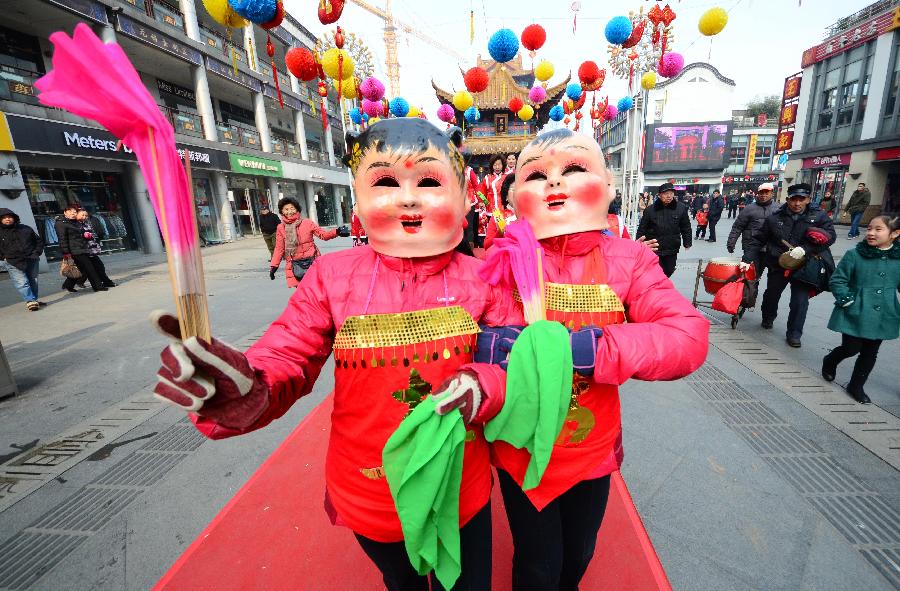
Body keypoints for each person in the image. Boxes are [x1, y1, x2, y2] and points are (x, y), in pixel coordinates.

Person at [152, 118, 519, 590]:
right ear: (358, 196)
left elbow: (512, 359)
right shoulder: (330, 277)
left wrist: (484, 384)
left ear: (463, 196)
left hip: (459, 484)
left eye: (427, 181)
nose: (408, 197)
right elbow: (288, 352)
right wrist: (247, 387)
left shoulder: (485, 278)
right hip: (370, 486)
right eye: (386, 181)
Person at [476, 128, 708, 590]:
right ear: (516, 193)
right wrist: (491, 350)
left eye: (574, 169)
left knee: (578, 554)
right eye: (538, 175)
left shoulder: (630, 260)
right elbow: (484, 334)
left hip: (592, 444)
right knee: (537, 563)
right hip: (523, 448)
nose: (555, 184)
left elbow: (686, 336)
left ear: (609, 186)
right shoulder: (503, 259)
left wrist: (595, 348)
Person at [740, 183, 836, 348]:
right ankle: (768, 317)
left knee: (799, 301)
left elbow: (830, 237)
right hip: (778, 262)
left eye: (801, 199)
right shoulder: (775, 218)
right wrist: (747, 258)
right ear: (787, 199)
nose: (797, 203)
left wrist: (805, 249)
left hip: (805, 265)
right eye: (793, 199)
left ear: (808, 199)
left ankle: (794, 333)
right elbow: (758, 240)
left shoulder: (819, 217)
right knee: (771, 295)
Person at [821, 215, 899, 404]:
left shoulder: (898, 259)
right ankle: (830, 360)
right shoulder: (854, 255)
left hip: (884, 313)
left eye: (878, 229)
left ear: (895, 234)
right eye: (870, 228)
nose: (871, 233)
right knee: (851, 348)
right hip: (856, 310)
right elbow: (838, 280)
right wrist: (846, 298)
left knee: (871, 352)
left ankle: (856, 385)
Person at [269, 197, 347, 288]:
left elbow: (323, 235)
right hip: (295, 265)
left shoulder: (307, 223)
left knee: (317, 290)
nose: (289, 211)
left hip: (312, 262)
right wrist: (274, 266)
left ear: (297, 209)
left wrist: (337, 232)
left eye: (292, 208)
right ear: (282, 211)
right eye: (286, 209)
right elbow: (279, 248)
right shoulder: (281, 227)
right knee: (303, 293)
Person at [637, 182, 692, 277]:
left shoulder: (681, 208)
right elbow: (642, 228)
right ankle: (656, 288)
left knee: (669, 270)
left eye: (671, 193)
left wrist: (687, 242)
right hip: (654, 247)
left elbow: (686, 226)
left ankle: (661, 284)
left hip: (671, 247)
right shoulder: (650, 210)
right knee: (654, 272)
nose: (669, 196)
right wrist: (638, 244)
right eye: (666, 194)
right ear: (659, 195)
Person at [55, 205, 112, 292]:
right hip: (75, 250)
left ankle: (68, 285)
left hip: (83, 248)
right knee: (90, 268)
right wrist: (66, 253)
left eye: (74, 212)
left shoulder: (74, 222)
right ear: (65, 212)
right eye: (71, 212)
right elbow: (62, 239)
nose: (73, 214)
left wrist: (86, 236)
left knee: (81, 269)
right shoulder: (61, 223)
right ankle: (98, 286)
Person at [727, 182, 778, 273]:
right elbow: (737, 227)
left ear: (772, 193)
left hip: (772, 248)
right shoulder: (749, 209)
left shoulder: (779, 209)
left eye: (767, 193)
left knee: (774, 277)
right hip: (751, 247)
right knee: (752, 274)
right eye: (761, 193)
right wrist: (731, 242)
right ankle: (752, 286)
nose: (763, 195)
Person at [0, 208, 44, 311]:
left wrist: (36, 253)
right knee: (21, 282)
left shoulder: (25, 229)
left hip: (31, 258)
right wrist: (3, 257)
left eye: (10, 217)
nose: (8, 219)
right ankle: (30, 300)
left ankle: (34, 300)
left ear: (14, 218)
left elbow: (38, 241)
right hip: (12, 261)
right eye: (4, 218)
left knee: (33, 280)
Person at [484, 173, 517, 250]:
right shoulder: (498, 215)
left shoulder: (530, 215)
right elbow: (486, 246)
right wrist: (500, 233)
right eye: (514, 189)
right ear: (506, 196)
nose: (517, 193)